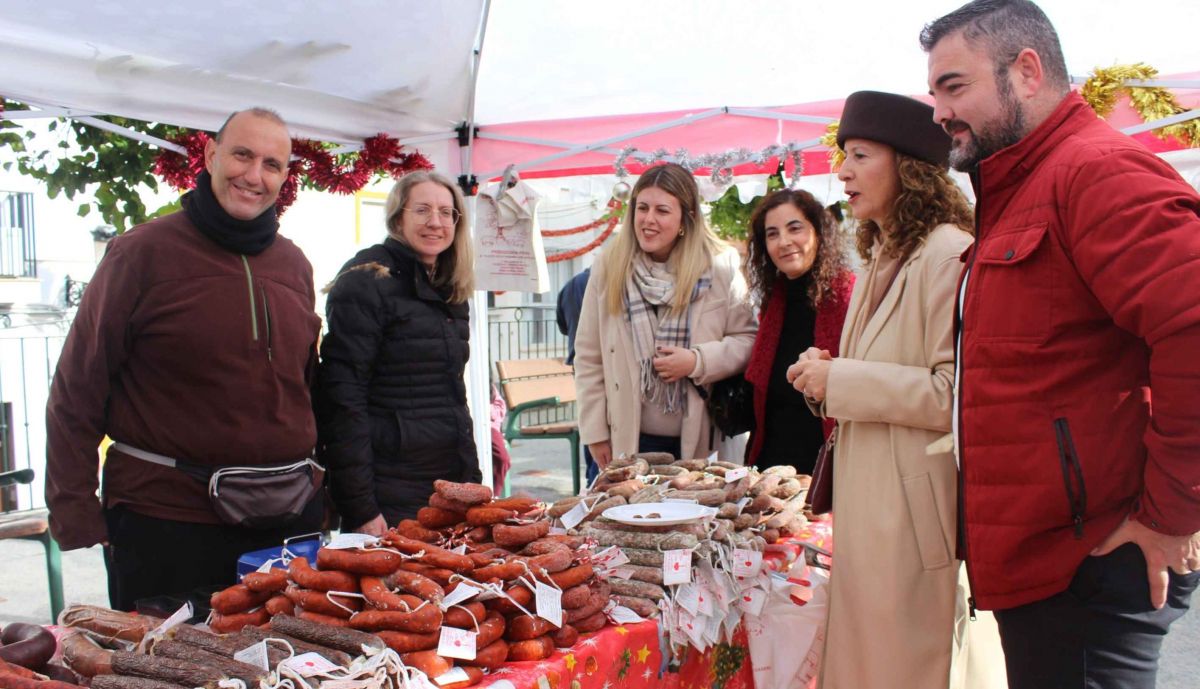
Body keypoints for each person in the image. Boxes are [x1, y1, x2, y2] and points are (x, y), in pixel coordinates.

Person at [921, 2, 1200, 687]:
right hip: (1051, 568)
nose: (937, 111)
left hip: (1091, 567)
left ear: (1027, 71)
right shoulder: (1023, 187)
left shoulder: (1094, 172)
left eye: (954, 87)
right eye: (934, 92)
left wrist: (1168, 518)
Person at [44, 108, 324, 611]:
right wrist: (75, 510)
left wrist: (329, 494)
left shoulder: (294, 264)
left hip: (285, 520)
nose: (253, 175)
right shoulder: (139, 254)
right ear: (212, 155)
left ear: (285, 177)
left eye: (272, 164)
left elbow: (303, 387)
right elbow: (77, 387)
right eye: (242, 155)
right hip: (166, 522)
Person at [787, 91, 1003, 689]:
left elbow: (954, 393)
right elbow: (881, 370)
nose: (842, 171)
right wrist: (825, 373)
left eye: (859, 155)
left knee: (909, 667)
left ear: (908, 165)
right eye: (843, 155)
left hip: (913, 513)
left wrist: (843, 379)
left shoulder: (947, 254)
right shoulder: (886, 252)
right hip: (874, 508)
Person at [317, 171, 480, 533]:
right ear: (397, 217)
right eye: (422, 210)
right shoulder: (367, 280)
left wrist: (471, 478)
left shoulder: (450, 287)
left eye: (445, 212)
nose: (435, 222)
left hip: (447, 480)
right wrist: (360, 507)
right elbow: (342, 399)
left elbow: (452, 398)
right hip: (390, 486)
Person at [575, 163, 756, 465]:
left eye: (662, 210)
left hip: (699, 437)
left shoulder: (720, 266)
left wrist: (697, 361)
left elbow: (747, 339)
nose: (648, 219)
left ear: (686, 218)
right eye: (642, 208)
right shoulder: (609, 266)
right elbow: (588, 355)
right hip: (627, 438)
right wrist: (594, 432)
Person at [743, 189, 854, 472]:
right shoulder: (773, 302)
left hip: (829, 464)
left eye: (795, 228)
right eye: (772, 234)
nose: (784, 242)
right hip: (771, 463)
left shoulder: (850, 297)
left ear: (818, 232)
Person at [555, 266, 599, 482]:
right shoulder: (608, 280)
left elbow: (562, 326)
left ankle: (592, 479)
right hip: (601, 364)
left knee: (590, 424)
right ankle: (595, 478)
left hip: (580, 362)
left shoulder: (571, 284)